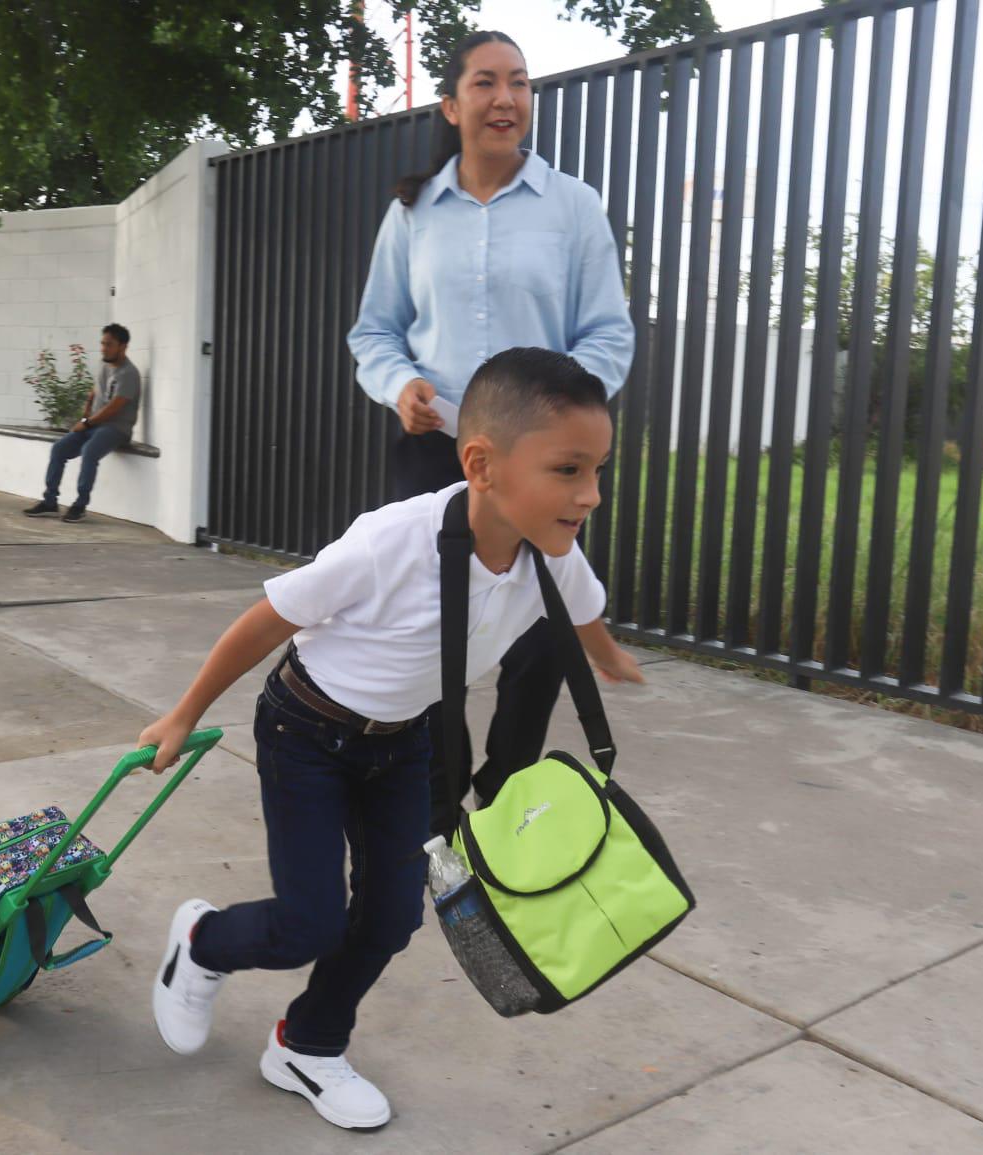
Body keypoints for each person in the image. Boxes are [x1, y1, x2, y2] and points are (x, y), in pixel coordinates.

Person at [139, 349, 642, 1131]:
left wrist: (608, 657)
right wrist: (183, 712)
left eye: (598, 470)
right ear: (482, 465)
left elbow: (584, 611)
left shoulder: (554, 557)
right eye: (569, 470)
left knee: (390, 919)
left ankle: (307, 1044)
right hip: (306, 730)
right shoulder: (392, 542)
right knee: (310, 922)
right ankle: (204, 941)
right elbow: (270, 618)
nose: (591, 494)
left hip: (404, 743)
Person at [347, 30, 635, 837]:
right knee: (434, 627)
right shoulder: (413, 214)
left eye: (519, 82)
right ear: (452, 105)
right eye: (485, 82)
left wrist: (556, 421)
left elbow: (607, 333)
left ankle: (505, 784)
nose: (505, 98)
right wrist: (398, 384)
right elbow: (376, 331)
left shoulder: (572, 206)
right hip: (437, 448)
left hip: (541, 459)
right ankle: (436, 801)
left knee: (540, 634)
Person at [23, 323, 140, 523]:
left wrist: (87, 424)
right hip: (94, 424)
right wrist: (85, 415)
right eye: (102, 343)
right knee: (59, 449)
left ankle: (80, 505)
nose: (104, 348)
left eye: (109, 344)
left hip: (116, 428)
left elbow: (114, 408)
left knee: (89, 451)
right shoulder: (104, 365)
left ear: (123, 346)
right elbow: (94, 391)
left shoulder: (129, 374)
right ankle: (50, 502)